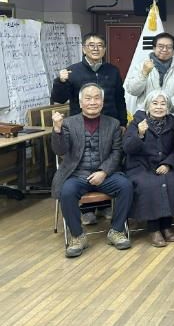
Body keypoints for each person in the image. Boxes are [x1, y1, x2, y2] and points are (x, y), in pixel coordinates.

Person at [51, 32, 127, 225]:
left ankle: (105, 204)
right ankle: (87, 209)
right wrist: (60, 81)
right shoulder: (73, 71)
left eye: (100, 45)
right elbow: (59, 98)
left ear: (105, 49)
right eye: (91, 45)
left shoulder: (112, 70)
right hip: (81, 125)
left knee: (106, 160)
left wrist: (123, 122)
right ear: (83, 48)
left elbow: (120, 98)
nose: (95, 48)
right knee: (84, 162)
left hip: (109, 125)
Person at [51, 83, 132, 258]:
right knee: (67, 192)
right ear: (81, 103)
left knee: (126, 186)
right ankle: (78, 236)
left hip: (106, 175)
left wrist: (104, 171)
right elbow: (60, 150)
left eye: (97, 98)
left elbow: (117, 152)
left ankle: (116, 231)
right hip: (77, 174)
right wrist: (57, 129)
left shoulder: (113, 124)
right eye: (88, 98)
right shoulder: (68, 123)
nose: (93, 102)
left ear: (102, 102)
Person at [123, 90, 174, 247]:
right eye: (155, 103)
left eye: (163, 104)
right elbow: (127, 148)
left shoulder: (172, 122)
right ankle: (153, 228)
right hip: (140, 167)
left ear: (168, 107)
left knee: (173, 182)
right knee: (149, 184)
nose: (159, 107)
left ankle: (166, 225)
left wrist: (168, 164)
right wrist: (139, 134)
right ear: (148, 106)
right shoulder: (137, 121)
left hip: (164, 165)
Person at [125, 32, 174, 120]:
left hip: (173, 118)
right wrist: (144, 74)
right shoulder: (141, 66)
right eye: (160, 46)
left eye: (169, 47)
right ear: (154, 47)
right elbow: (133, 90)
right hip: (145, 117)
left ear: (173, 49)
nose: (164, 49)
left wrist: (165, 106)